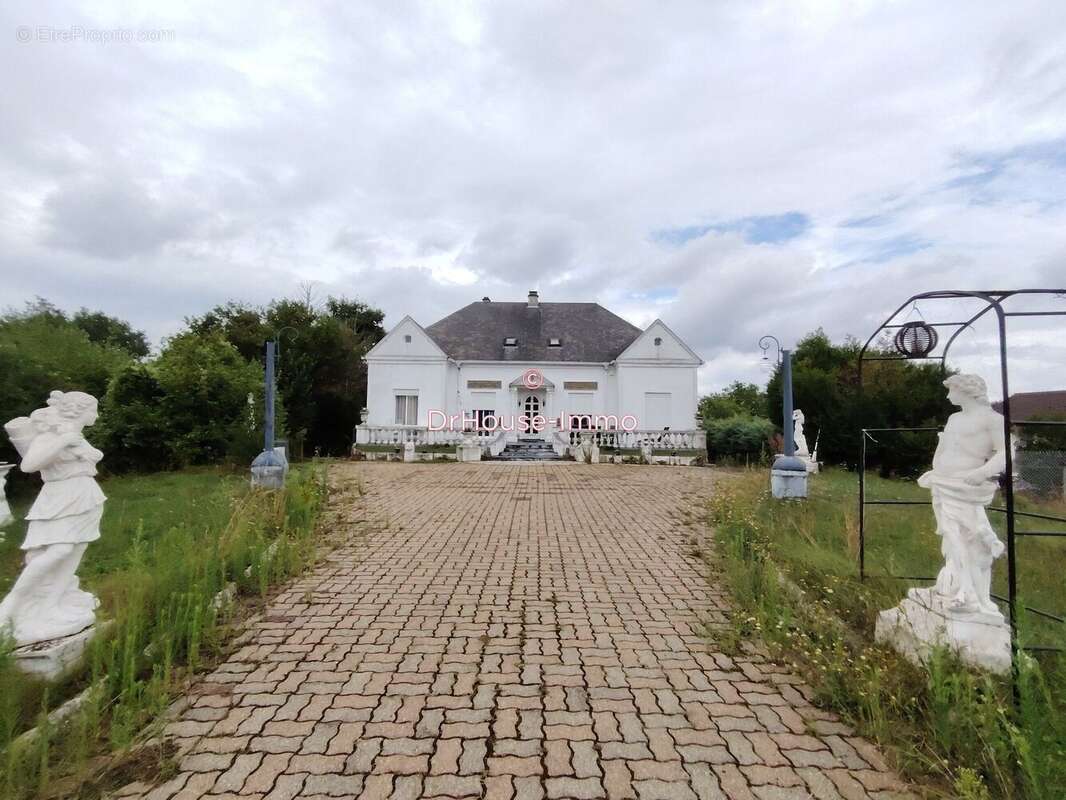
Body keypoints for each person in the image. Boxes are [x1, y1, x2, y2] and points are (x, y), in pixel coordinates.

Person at [0, 391, 105, 645]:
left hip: (86, 495)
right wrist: (64, 441)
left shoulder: (76, 435)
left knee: (75, 550)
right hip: (60, 496)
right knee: (59, 550)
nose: (96, 415)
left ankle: (52, 604)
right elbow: (29, 465)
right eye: (93, 410)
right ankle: (10, 605)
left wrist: (76, 444)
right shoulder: (52, 435)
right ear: (79, 411)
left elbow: (96, 456)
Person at [915, 374, 1006, 616]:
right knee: (952, 535)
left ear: (967, 391)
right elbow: (945, 448)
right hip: (943, 482)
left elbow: (1005, 453)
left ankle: (969, 593)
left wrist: (982, 472)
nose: (948, 396)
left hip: (965, 485)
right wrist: (937, 467)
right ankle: (957, 586)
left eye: (951, 390)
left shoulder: (992, 420)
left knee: (967, 538)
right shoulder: (954, 419)